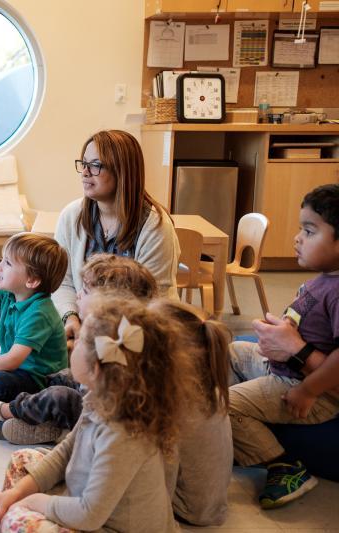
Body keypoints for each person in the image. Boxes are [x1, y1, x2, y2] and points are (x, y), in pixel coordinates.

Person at [0, 296, 188, 533]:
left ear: (95, 367)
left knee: (16, 519)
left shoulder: (122, 434)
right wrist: (16, 494)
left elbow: (89, 515)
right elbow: (68, 450)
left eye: (77, 341)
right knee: (22, 461)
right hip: (87, 506)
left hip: (106, 525)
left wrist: (31, 502)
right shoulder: (97, 397)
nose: (71, 345)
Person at [0, 254, 158, 446]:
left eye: (86, 292)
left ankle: (0, 410)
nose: (78, 295)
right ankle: (37, 415)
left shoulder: (119, 343)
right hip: (73, 388)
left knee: (56, 396)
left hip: (86, 406)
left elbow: (90, 392)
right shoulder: (96, 328)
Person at [228, 183, 339, 509]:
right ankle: (216, 429)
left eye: (309, 231)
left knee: (225, 405)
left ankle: (283, 465)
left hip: (305, 387)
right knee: (231, 349)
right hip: (280, 366)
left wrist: (308, 391)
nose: (297, 238)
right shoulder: (325, 278)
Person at [53, 129, 179, 346]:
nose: (85, 172)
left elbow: (152, 302)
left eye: (95, 165)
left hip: (133, 333)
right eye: (83, 164)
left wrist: (96, 333)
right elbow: (61, 280)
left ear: (122, 171)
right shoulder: (71, 215)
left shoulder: (156, 226)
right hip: (81, 322)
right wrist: (70, 317)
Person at [151, 299, 233, 526]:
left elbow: (164, 474)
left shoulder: (172, 403)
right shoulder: (207, 382)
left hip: (188, 509)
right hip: (210, 503)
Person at [0, 232, 69, 402]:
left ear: (31, 281)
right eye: (2, 259)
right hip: (15, 368)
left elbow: (13, 360)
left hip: (37, 381)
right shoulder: (9, 293)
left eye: (7, 263)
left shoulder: (40, 312)